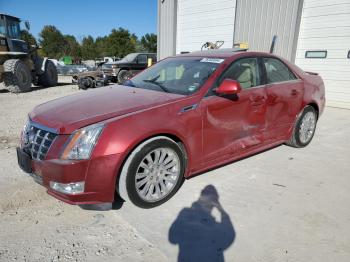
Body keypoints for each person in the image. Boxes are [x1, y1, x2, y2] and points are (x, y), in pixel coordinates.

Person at [169, 185, 235, 262]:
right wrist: (222, 211)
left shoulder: (212, 225)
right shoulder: (187, 215)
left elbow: (229, 236)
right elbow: (173, 237)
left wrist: (222, 212)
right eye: (209, 199)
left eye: (212, 201)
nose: (210, 204)